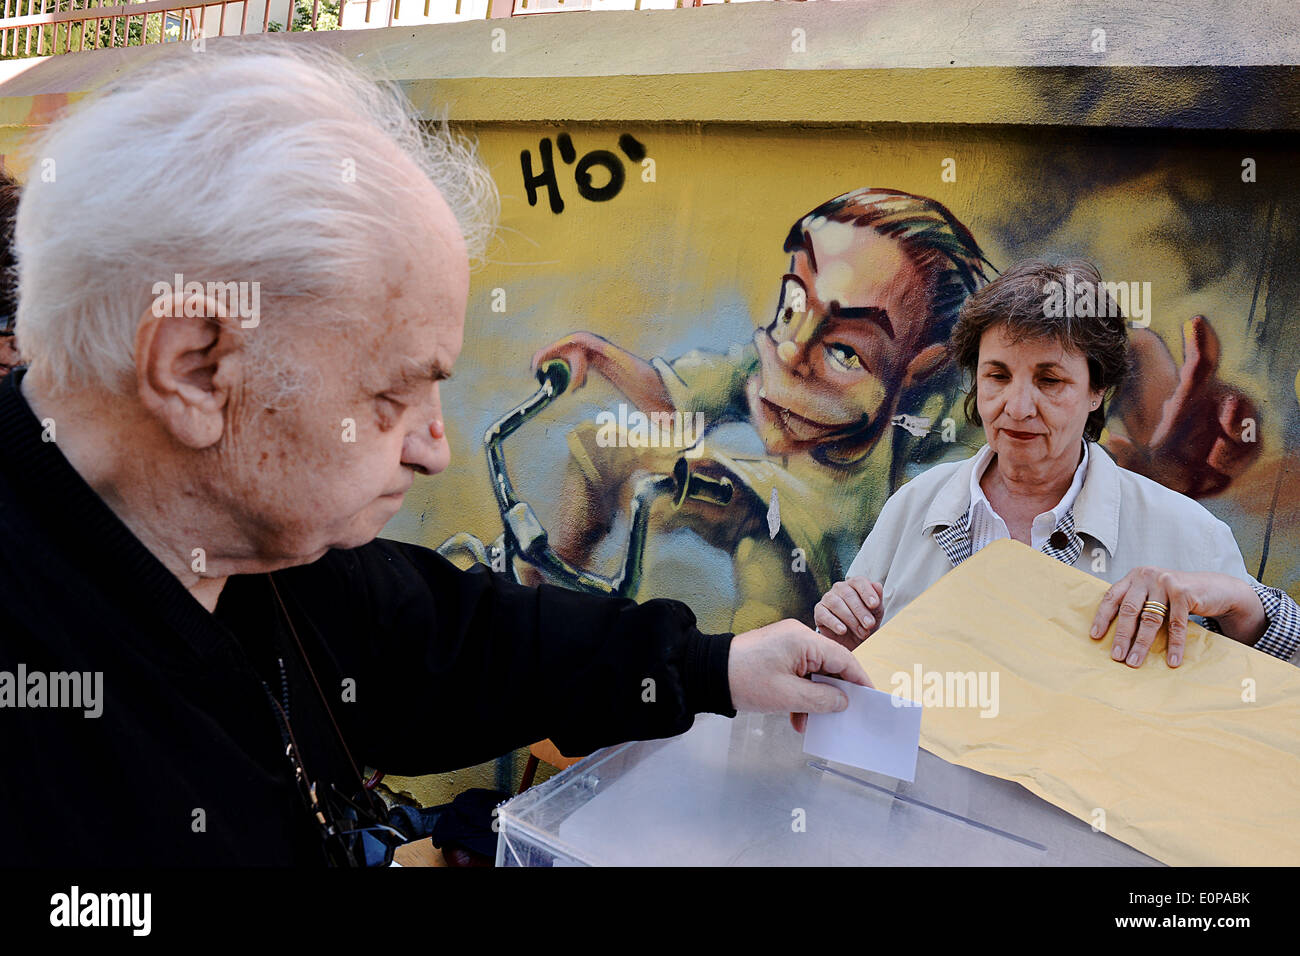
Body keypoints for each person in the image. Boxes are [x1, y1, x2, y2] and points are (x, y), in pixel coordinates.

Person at [0, 43, 871, 867]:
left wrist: (712, 665)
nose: (434, 448)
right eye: (392, 394)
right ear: (194, 368)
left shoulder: (257, 551)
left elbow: (459, 642)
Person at [815, 258, 1300, 670]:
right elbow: (856, 664)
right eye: (997, 375)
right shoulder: (917, 506)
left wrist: (1237, 599)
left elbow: (1281, 671)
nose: (1018, 405)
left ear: (1097, 390)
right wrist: (843, 637)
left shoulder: (1184, 531)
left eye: (1050, 380)